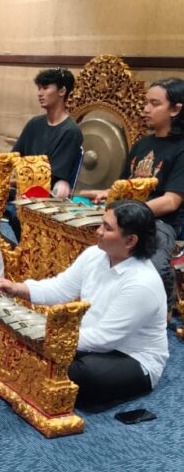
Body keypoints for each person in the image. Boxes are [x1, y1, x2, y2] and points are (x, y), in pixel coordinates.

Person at [0, 200, 168, 411]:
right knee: (33, 349)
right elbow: (60, 289)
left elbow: (104, 339)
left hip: (132, 357)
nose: (98, 231)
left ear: (130, 240)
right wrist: (18, 288)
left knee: (82, 374)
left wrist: (49, 338)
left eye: (107, 228)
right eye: (101, 223)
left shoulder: (142, 283)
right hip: (89, 340)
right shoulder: (95, 254)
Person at [80, 77, 184, 312]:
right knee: (82, 236)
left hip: (161, 222)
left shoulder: (181, 149)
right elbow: (129, 185)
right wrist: (105, 193)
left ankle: (162, 311)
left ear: (176, 109)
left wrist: (129, 213)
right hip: (129, 217)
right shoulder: (141, 145)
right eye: (146, 102)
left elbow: (171, 201)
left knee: (153, 265)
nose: (146, 109)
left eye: (154, 103)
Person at [12, 68, 84, 197]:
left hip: (42, 197)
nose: (40, 93)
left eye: (45, 88)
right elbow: (13, 156)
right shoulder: (34, 123)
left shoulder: (70, 131)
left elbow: (49, 179)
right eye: (39, 88)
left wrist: (11, 182)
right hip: (21, 189)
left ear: (62, 91)